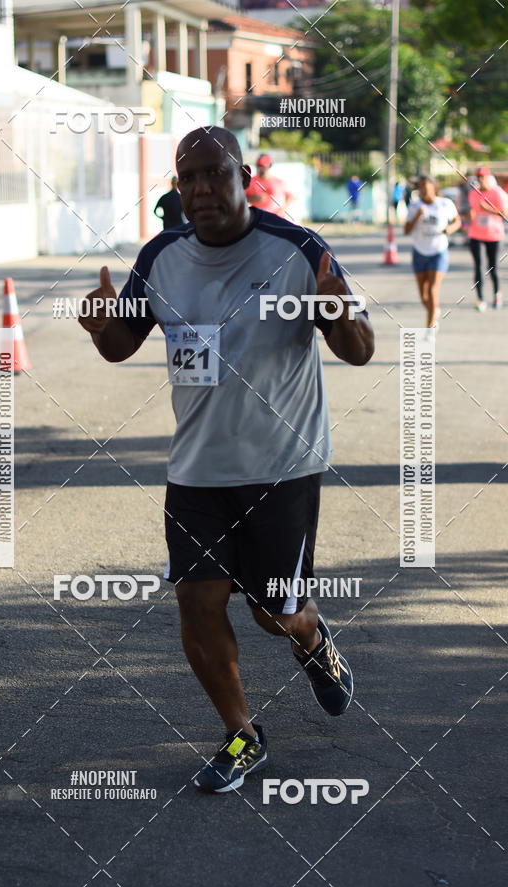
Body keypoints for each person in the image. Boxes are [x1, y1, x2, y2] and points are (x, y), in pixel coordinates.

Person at [79, 126, 374, 794]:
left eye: (215, 173)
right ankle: (243, 735)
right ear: (177, 187)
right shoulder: (162, 256)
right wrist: (102, 326)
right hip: (196, 471)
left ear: (243, 175)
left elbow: (358, 349)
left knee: (274, 612)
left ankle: (310, 634)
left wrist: (341, 313)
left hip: (282, 464)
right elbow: (124, 342)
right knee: (198, 605)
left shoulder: (298, 250)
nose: (202, 188)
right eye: (189, 177)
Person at [404, 174, 461, 333]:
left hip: (438, 251)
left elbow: (457, 221)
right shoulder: (414, 206)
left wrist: (450, 229)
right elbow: (406, 230)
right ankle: (433, 310)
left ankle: (429, 329)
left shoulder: (445, 204)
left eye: (425, 187)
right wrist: (417, 216)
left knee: (433, 289)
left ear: (434, 187)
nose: (422, 190)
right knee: (424, 296)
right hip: (420, 252)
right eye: (420, 187)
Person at [467, 166, 507, 310]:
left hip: (494, 235)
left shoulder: (498, 193)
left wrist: (487, 209)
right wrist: (469, 217)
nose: (480, 179)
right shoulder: (473, 193)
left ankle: (497, 295)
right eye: (478, 176)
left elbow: (505, 214)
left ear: (488, 177)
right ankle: (480, 299)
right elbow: (472, 211)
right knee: (478, 266)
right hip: (476, 234)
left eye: (482, 176)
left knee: (493, 267)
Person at [245, 153, 294, 218]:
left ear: (269, 166)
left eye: (263, 166)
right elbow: (242, 197)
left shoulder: (278, 182)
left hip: (276, 218)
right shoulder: (251, 181)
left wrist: (283, 209)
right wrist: (252, 198)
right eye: (259, 166)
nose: (261, 168)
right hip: (258, 219)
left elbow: (290, 196)